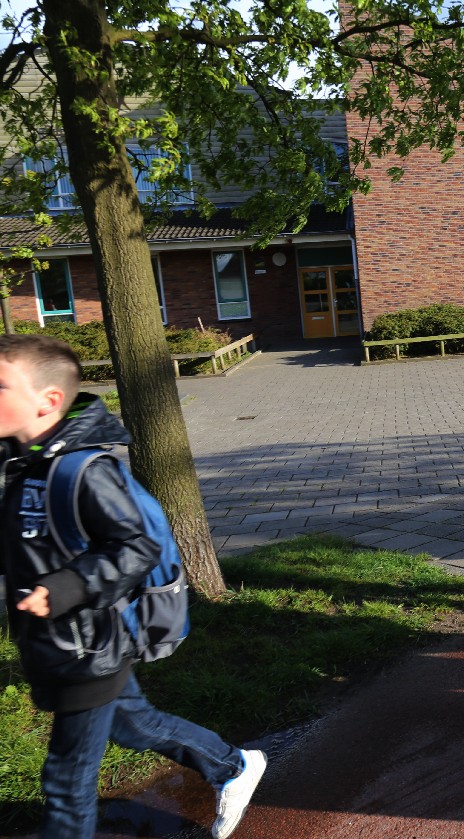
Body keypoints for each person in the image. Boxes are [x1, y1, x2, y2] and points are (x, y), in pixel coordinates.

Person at [0, 334, 266, 839]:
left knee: (66, 784)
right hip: (56, 644)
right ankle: (232, 765)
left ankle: (232, 766)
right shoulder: (23, 465)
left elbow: (137, 545)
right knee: (133, 724)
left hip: (89, 647)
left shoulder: (84, 471)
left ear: (48, 400)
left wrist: (65, 587)